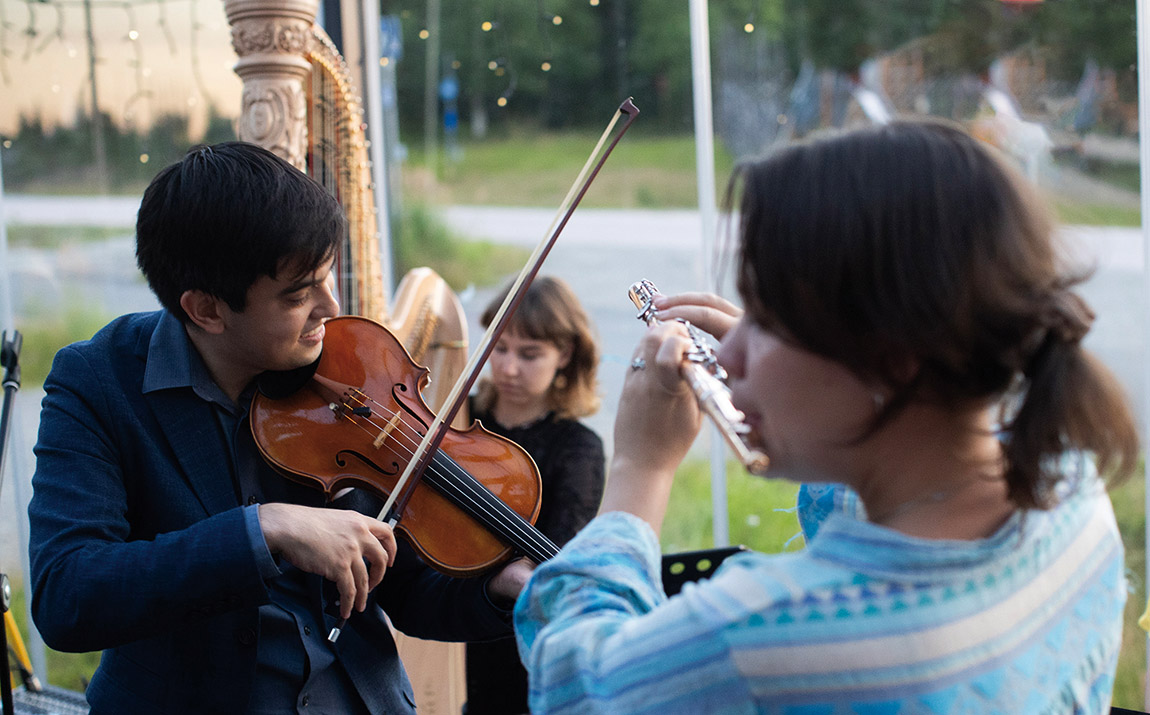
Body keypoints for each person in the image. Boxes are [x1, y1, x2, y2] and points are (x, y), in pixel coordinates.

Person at [514, 120, 1139, 713]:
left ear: (891, 360)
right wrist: (798, 380)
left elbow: (575, 683)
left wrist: (638, 470)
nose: (728, 353)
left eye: (768, 320)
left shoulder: (763, 637)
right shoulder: (1073, 493)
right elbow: (899, 486)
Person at [26, 142, 530, 714]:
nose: (330, 306)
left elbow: (405, 587)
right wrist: (262, 531)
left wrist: (496, 587)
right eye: (298, 295)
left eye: (326, 276)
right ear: (206, 310)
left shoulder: (349, 380)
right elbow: (69, 595)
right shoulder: (97, 381)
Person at [464, 276, 605, 714]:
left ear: (563, 354)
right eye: (500, 348)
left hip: (527, 630)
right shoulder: (459, 418)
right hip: (452, 608)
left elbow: (557, 550)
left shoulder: (578, 446)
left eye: (529, 355)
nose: (507, 368)